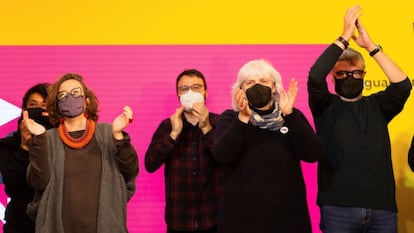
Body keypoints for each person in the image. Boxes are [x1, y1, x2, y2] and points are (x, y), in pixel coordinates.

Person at [307, 6, 412, 233]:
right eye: (342, 73)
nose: (350, 77)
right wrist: (345, 37)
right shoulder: (325, 106)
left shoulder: (378, 106)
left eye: (356, 73)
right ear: (333, 77)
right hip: (337, 207)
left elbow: (403, 86)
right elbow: (315, 77)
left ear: (364, 75)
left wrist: (372, 48)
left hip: (381, 208)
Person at [213, 59, 322, 233]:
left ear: (274, 88)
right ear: (240, 91)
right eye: (250, 82)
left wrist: (290, 115)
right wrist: (242, 119)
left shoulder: (292, 116)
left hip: (288, 219)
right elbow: (222, 156)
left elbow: (313, 153)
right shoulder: (230, 119)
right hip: (241, 219)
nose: (257, 86)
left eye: (264, 81)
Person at [23, 73, 139, 233]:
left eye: (75, 93)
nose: (69, 98)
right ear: (57, 105)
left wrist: (118, 136)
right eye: (62, 95)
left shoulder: (107, 132)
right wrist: (39, 139)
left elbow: (131, 169)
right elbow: (38, 182)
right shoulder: (48, 138)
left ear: (87, 100)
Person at [145, 69, 222, 233]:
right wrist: (173, 135)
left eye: (196, 87)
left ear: (205, 93)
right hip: (178, 220)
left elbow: (227, 160)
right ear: (178, 95)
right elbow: (150, 164)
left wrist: (206, 127)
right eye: (184, 89)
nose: (190, 93)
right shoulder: (167, 126)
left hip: (213, 219)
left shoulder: (221, 123)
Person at [0, 83, 52, 233]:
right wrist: (24, 146)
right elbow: (12, 187)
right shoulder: (8, 145)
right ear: (24, 110)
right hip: (19, 225)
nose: (39, 109)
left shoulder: (62, 143)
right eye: (33, 105)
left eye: (45, 106)